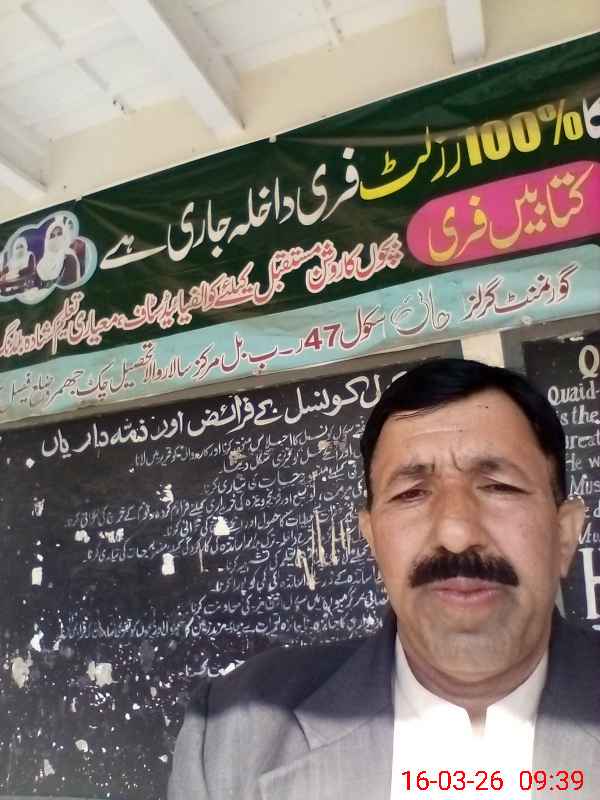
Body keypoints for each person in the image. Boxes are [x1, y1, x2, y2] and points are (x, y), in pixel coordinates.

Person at [168, 358, 600, 800]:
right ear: (372, 540)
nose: (455, 534)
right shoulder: (233, 732)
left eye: (498, 487)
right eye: (411, 493)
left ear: (565, 534)